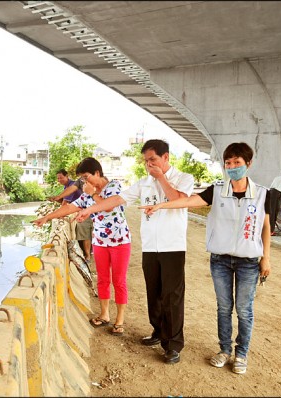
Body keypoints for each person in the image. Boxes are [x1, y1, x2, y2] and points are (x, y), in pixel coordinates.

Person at [139, 142, 271, 375]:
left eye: (237, 163)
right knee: (223, 307)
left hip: (248, 261)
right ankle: (224, 350)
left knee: (244, 308)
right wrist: (162, 205)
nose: (232, 167)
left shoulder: (263, 194)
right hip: (220, 260)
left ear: (248, 164)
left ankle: (241, 354)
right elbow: (188, 201)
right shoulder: (217, 190)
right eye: (228, 163)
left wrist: (266, 258)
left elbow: (265, 227)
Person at [76, 139, 194, 365]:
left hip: (172, 246)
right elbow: (117, 199)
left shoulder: (183, 179)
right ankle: (158, 332)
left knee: (173, 296)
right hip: (150, 246)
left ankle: (173, 345)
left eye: (153, 159)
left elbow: (179, 200)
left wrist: (161, 178)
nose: (148, 165)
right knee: (154, 293)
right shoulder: (143, 183)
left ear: (166, 157)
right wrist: (90, 209)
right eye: (146, 161)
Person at [33, 158, 131, 336]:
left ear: (97, 173)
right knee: (102, 279)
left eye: (87, 177)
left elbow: (107, 207)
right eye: (83, 179)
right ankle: (104, 314)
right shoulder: (86, 194)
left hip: (120, 242)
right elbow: (70, 207)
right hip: (100, 242)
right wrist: (48, 217)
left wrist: (92, 194)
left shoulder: (114, 186)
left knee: (119, 281)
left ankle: (120, 320)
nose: (85, 182)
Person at [48, 169, 93, 261]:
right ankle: (87, 253)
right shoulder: (69, 186)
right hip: (79, 209)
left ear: (67, 176)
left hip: (84, 210)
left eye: (61, 178)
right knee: (82, 231)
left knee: (84, 231)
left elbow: (65, 204)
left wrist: (55, 214)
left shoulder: (72, 186)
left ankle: (88, 255)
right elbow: (65, 201)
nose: (59, 180)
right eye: (58, 178)